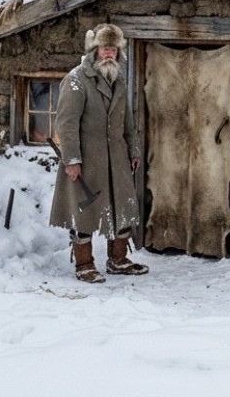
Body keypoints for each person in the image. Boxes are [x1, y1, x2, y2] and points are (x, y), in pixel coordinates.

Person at [49, 23, 148, 282]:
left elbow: (126, 120)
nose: (109, 54)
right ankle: (84, 264)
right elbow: (66, 123)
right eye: (105, 48)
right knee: (85, 213)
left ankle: (118, 260)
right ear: (94, 50)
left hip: (116, 159)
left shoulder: (119, 80)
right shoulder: (76, 80)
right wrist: (71, 159)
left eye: (113, 49)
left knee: (121, 208)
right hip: (87, 160)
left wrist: (133, 150)